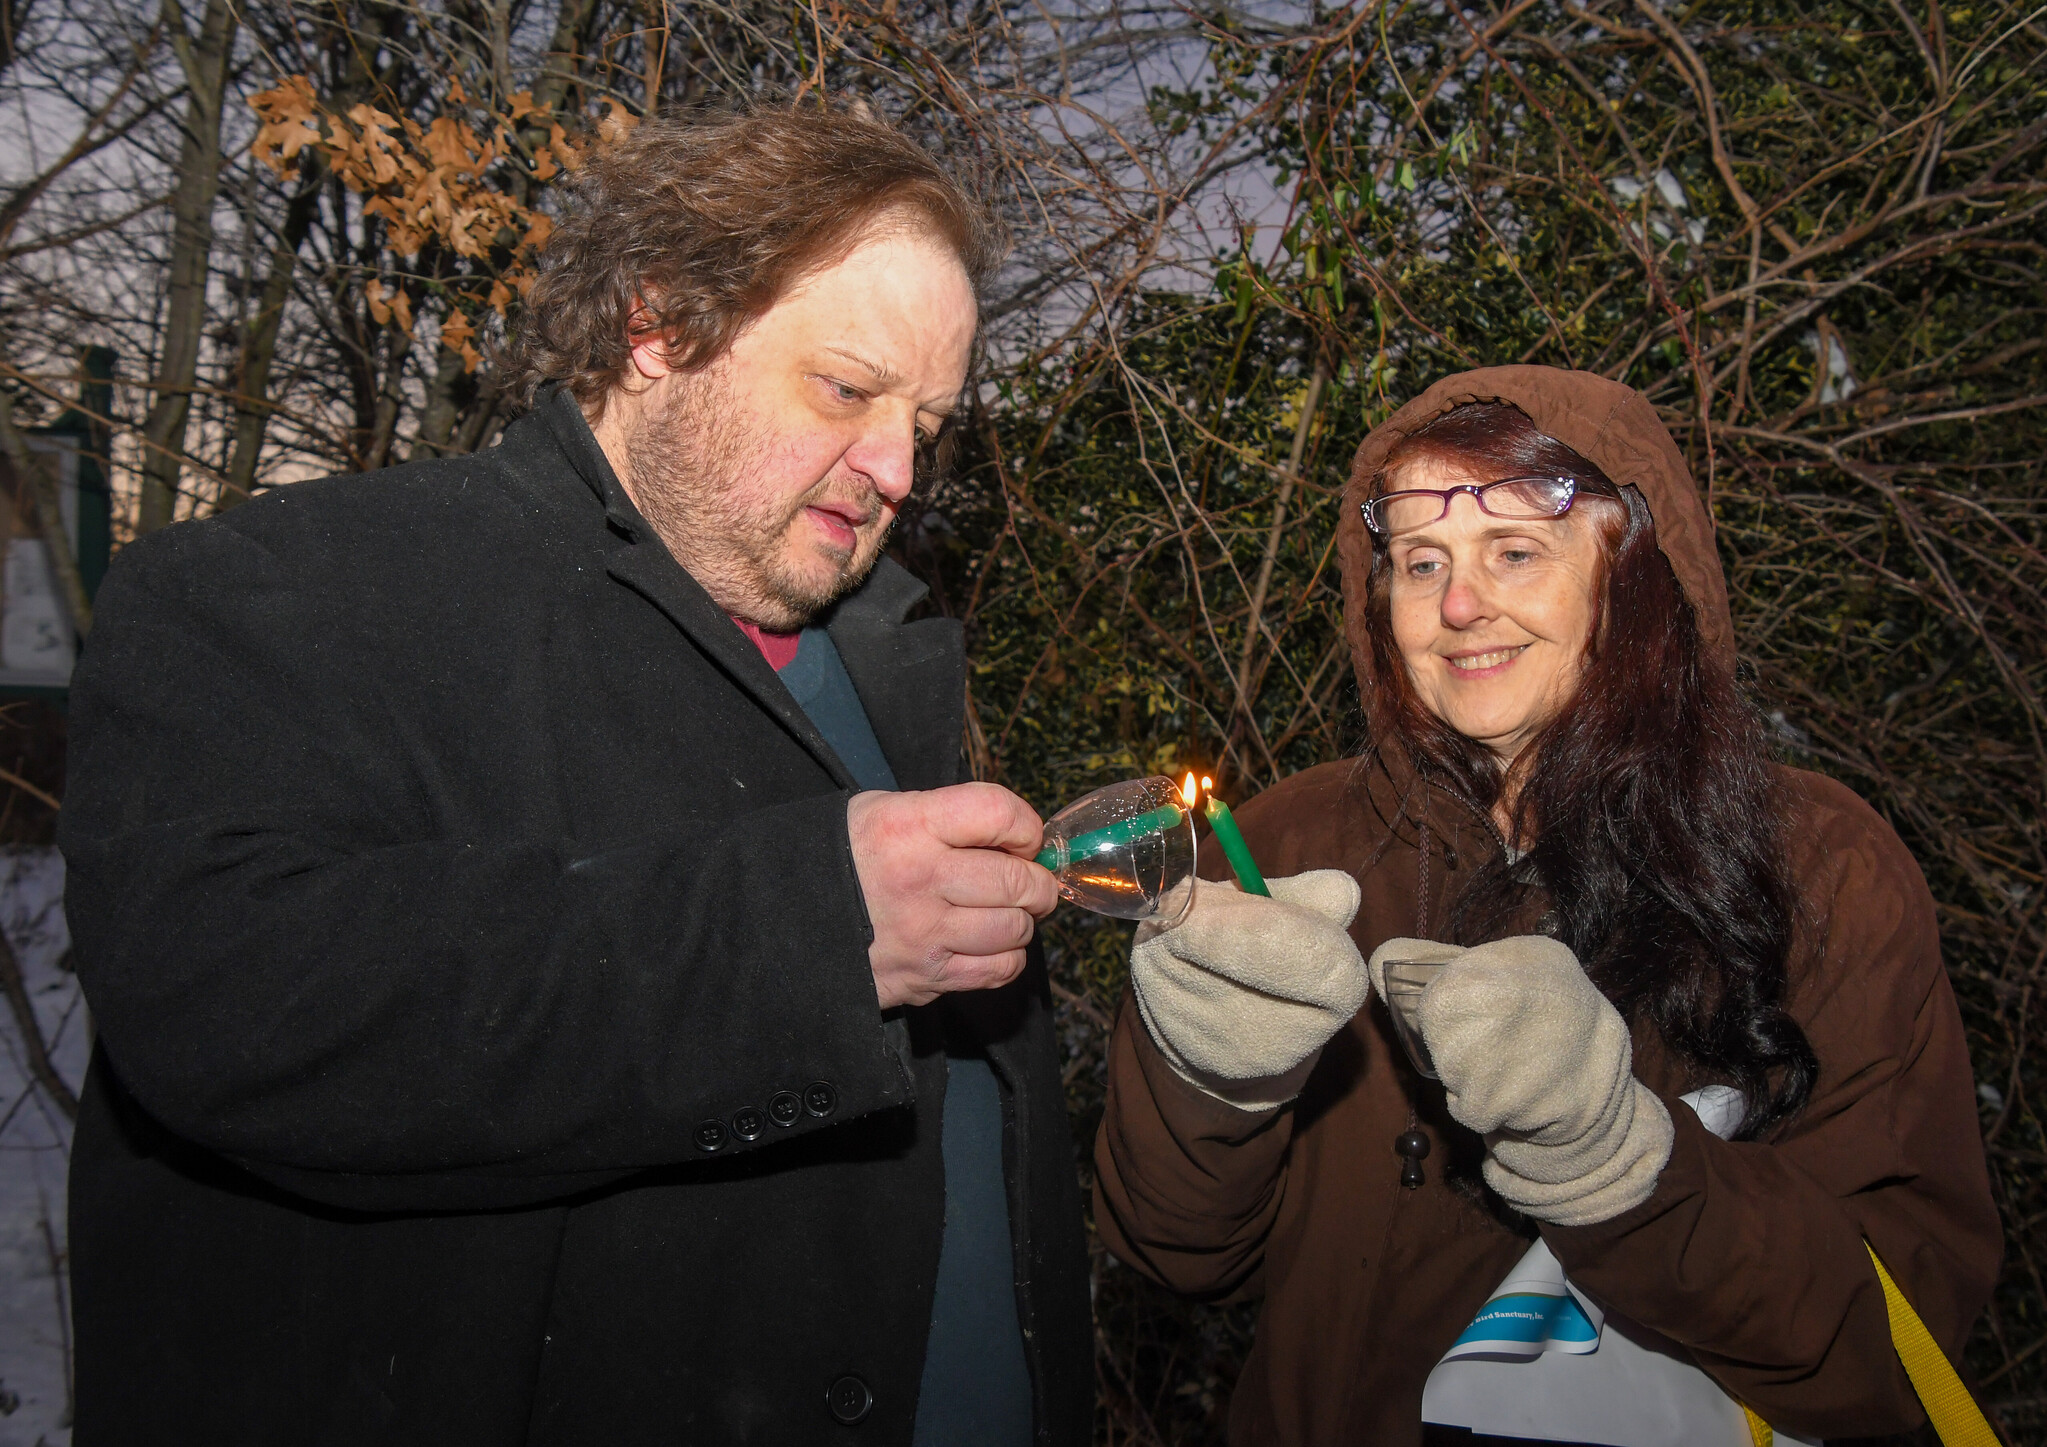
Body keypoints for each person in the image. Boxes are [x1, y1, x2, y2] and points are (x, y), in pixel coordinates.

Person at [60, 103, 1092, 1445]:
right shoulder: (282, 592)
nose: (899, 467)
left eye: (929, 420)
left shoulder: (884, 664)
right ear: (654, 328)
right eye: (846, 388)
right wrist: (807, 935)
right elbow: (229, 1003)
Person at [1092, 366, 2001, 1444]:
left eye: (1514, 551)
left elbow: (1895, 1340)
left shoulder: (1819, 864)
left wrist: (1626, 1162)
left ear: (1633, 574)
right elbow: (1174, 1253)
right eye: (1420, 563)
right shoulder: (1289, 846)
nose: (1458, 605)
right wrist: (1204, 1083)